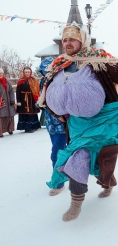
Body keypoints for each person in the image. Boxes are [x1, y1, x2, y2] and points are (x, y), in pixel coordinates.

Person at [38, 23, 118, 222]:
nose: (67, 43)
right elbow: (48, 91)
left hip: (103, 123)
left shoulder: (97, 60)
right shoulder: (60, 64)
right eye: (65, 39)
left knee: (103, 159)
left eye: (72, 39)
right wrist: (55, 111)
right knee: (78, 158)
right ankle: (76, 203)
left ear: (82, 40)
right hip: (77, 126)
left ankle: (108, 182)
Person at [39, 57, 67, 196]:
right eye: (45, 71)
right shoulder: (44, 81)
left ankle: (59, 183)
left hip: (64, 125)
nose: (47, 73)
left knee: (58, 154)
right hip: (52, 125)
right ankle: (64, 176)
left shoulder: (61, 81)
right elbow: (42, 101)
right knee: (59, 152)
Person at [16, 67, 41, 133]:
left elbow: (37, 89)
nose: (27, 73)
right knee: (25, 113)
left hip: (32, 99)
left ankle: (33, 126)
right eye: (26, 72)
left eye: (28, 72)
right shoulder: (20, 81)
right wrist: (18, 101)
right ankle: (27, 128)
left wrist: (37, 98)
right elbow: (18, 92)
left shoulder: (33, 80)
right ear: (24, 73)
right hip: (23, 99)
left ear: (30, 72)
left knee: (32, 113)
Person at [0, 68, 15, 137]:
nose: (1, 74)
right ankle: (1, 131)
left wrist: (12, 100)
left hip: (8, 102)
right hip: (1, 102)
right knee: (1, 116)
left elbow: (11, 91)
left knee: (9, 116)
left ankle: (10, 129)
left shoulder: (7, 81)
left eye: (1, 73)